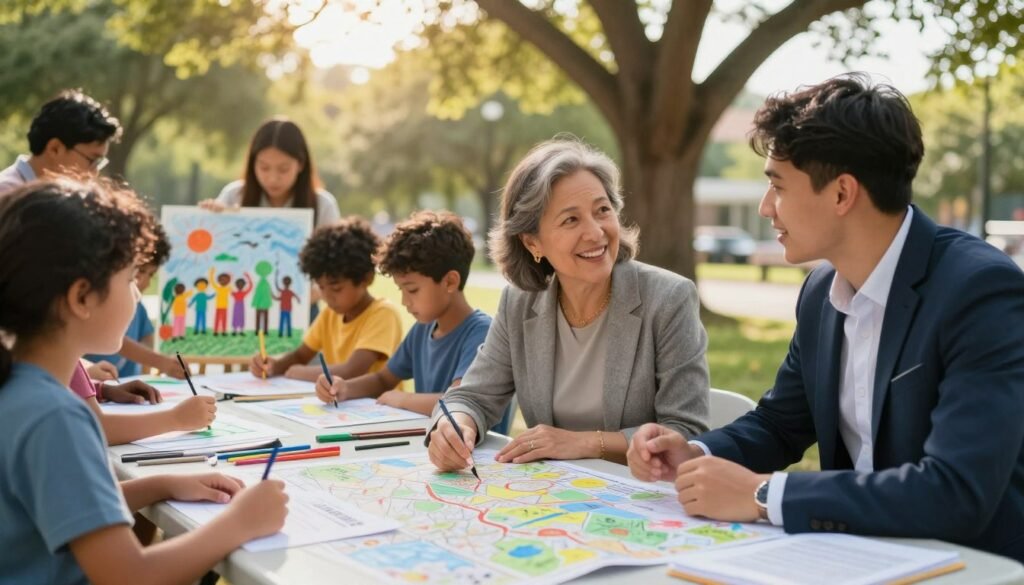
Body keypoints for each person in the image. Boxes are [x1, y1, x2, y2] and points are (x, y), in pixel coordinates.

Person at [625, 74, 1024, 563]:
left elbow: (957, 490)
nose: (765, 207)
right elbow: (781, 424)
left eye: (777, 185)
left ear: (841, 194)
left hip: (972, 566)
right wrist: (698, 453)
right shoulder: (820, 292)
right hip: (856, 554)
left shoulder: (979, 291)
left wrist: (763, 495)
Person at [0, 178, 287, 584]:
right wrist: (240, 523)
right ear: (82, 297)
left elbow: (63, 508)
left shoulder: (19, 389)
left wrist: (161, 484)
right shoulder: (56, 417)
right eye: (132, 277)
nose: (137, 294)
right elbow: (129, 576)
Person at [427, 139, 710, 472]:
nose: (595, 233)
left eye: (602, 210)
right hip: (558, 495)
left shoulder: (669, 298)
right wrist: (456, 426)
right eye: (570, 220)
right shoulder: (519, 303)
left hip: (641, 496)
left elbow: (685, 432)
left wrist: (584, 443)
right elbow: (472, 397)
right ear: (533, 242)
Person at [314, 211, 496, 422]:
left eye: (412, 290)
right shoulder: (423, 329)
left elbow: (458, 402)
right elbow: (383, 379)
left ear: (450, 282)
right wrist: (344, 387)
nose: (404, 302)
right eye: (401, 290)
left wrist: (404, 399)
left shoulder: (480, 333)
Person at [200, 117, 341, 323]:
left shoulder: (323, 205)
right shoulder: (234, 196)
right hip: (241, 308)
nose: (273, 178)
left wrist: (313, 293)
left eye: (283, 169)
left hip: (303, 312)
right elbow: (212, 255)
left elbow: (336, 267)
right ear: (252, 163)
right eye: (264, 168)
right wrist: (212, 219)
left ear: (301, 164)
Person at [250, 216, 403, 382]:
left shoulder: (383, 314)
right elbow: (301, 355)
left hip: (376, 406)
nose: (327, 296)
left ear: (366, 279)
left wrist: (297, 372)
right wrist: (273, 366)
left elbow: (353, 371)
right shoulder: (330, 314)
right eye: (321, 287)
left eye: (336, 288)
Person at [84, 222, 186, 378]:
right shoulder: (99, 307)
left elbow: (146, 337)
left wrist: (150, 356)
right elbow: (118, 342)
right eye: (137, 273)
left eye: (151, 275)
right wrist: (160, 361)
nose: (144, 282)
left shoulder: (139, 307)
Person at [0, 89, 120, 196]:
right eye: (92, 161)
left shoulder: (58, 197)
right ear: (55, 149)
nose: (94, 173)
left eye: (99, 163)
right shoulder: (7, 195)